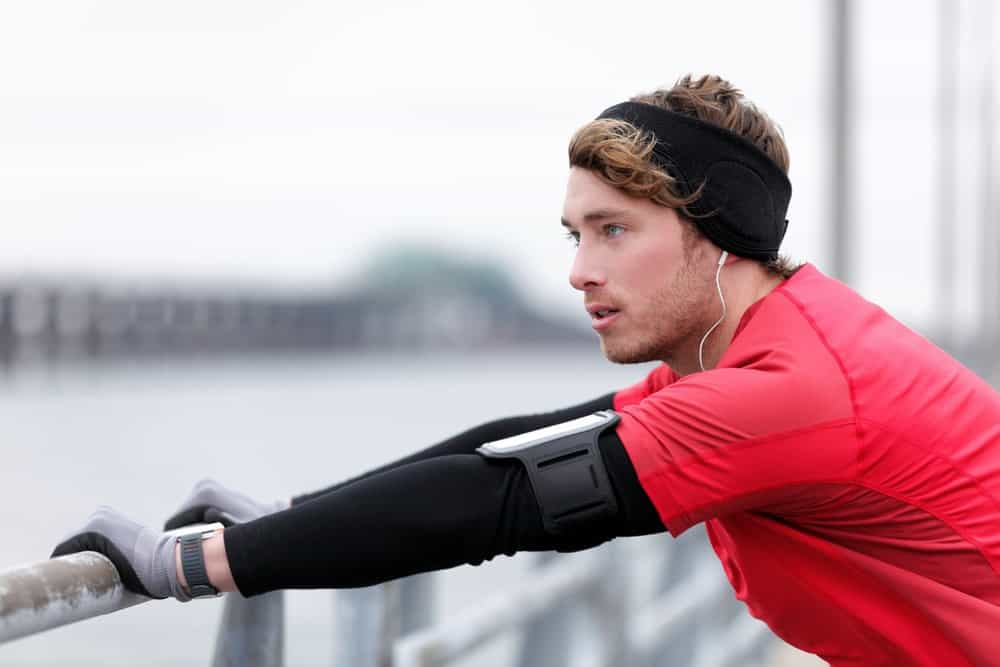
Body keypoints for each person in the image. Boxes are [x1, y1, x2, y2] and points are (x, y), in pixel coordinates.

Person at [52, 74, 1000, 666]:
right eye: (575, 233)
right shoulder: (770, 342)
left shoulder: (789, 392)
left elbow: (509, 502)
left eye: (614, 231)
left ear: (720, 238)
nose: (580, 269)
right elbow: (526, 446)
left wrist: (193, 565)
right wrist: (295, 518)